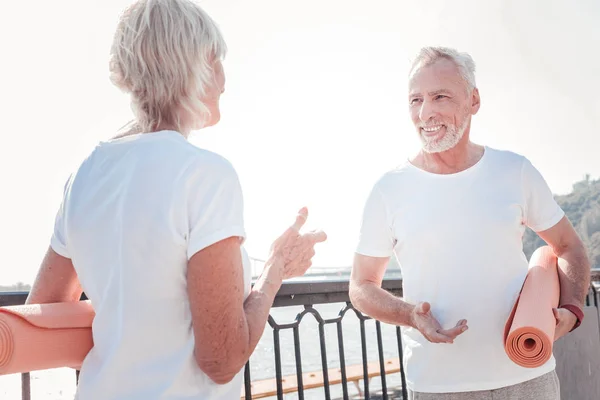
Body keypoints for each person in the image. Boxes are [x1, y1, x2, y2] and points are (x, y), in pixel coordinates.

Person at [25, 1, 326, 399]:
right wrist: (274, 271)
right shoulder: (205, 174)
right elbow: (220, 360)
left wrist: (124, 329)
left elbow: (43, 312)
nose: (223, 80)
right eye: (215, 61)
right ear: (191, 65)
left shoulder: (86, 173)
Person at [349, 46, 590, 400]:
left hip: (529, 379)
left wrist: (571, 308)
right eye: (415, 100)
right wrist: (410, 315)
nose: (425, 112)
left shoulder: (515, 171)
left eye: (440, 96)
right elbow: (362, 286)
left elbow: (568, 247)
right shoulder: (388, 189)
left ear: (473, 100)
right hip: (437, 388)